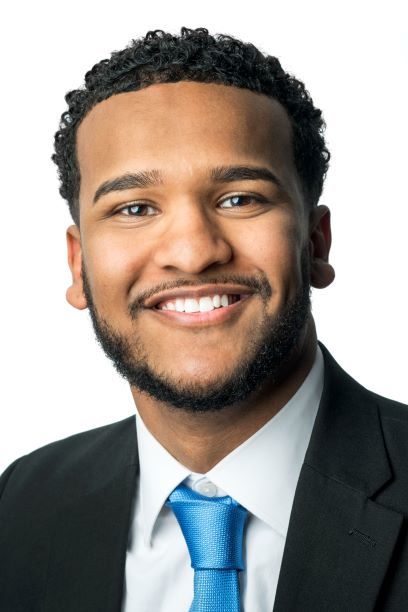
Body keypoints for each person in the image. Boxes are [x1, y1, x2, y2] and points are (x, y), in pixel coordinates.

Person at [0, 27, 407, 612]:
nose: (193, 253)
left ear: (315, 243)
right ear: (78, 263)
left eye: (240, 198)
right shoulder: (23, 503)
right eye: (135, 208)